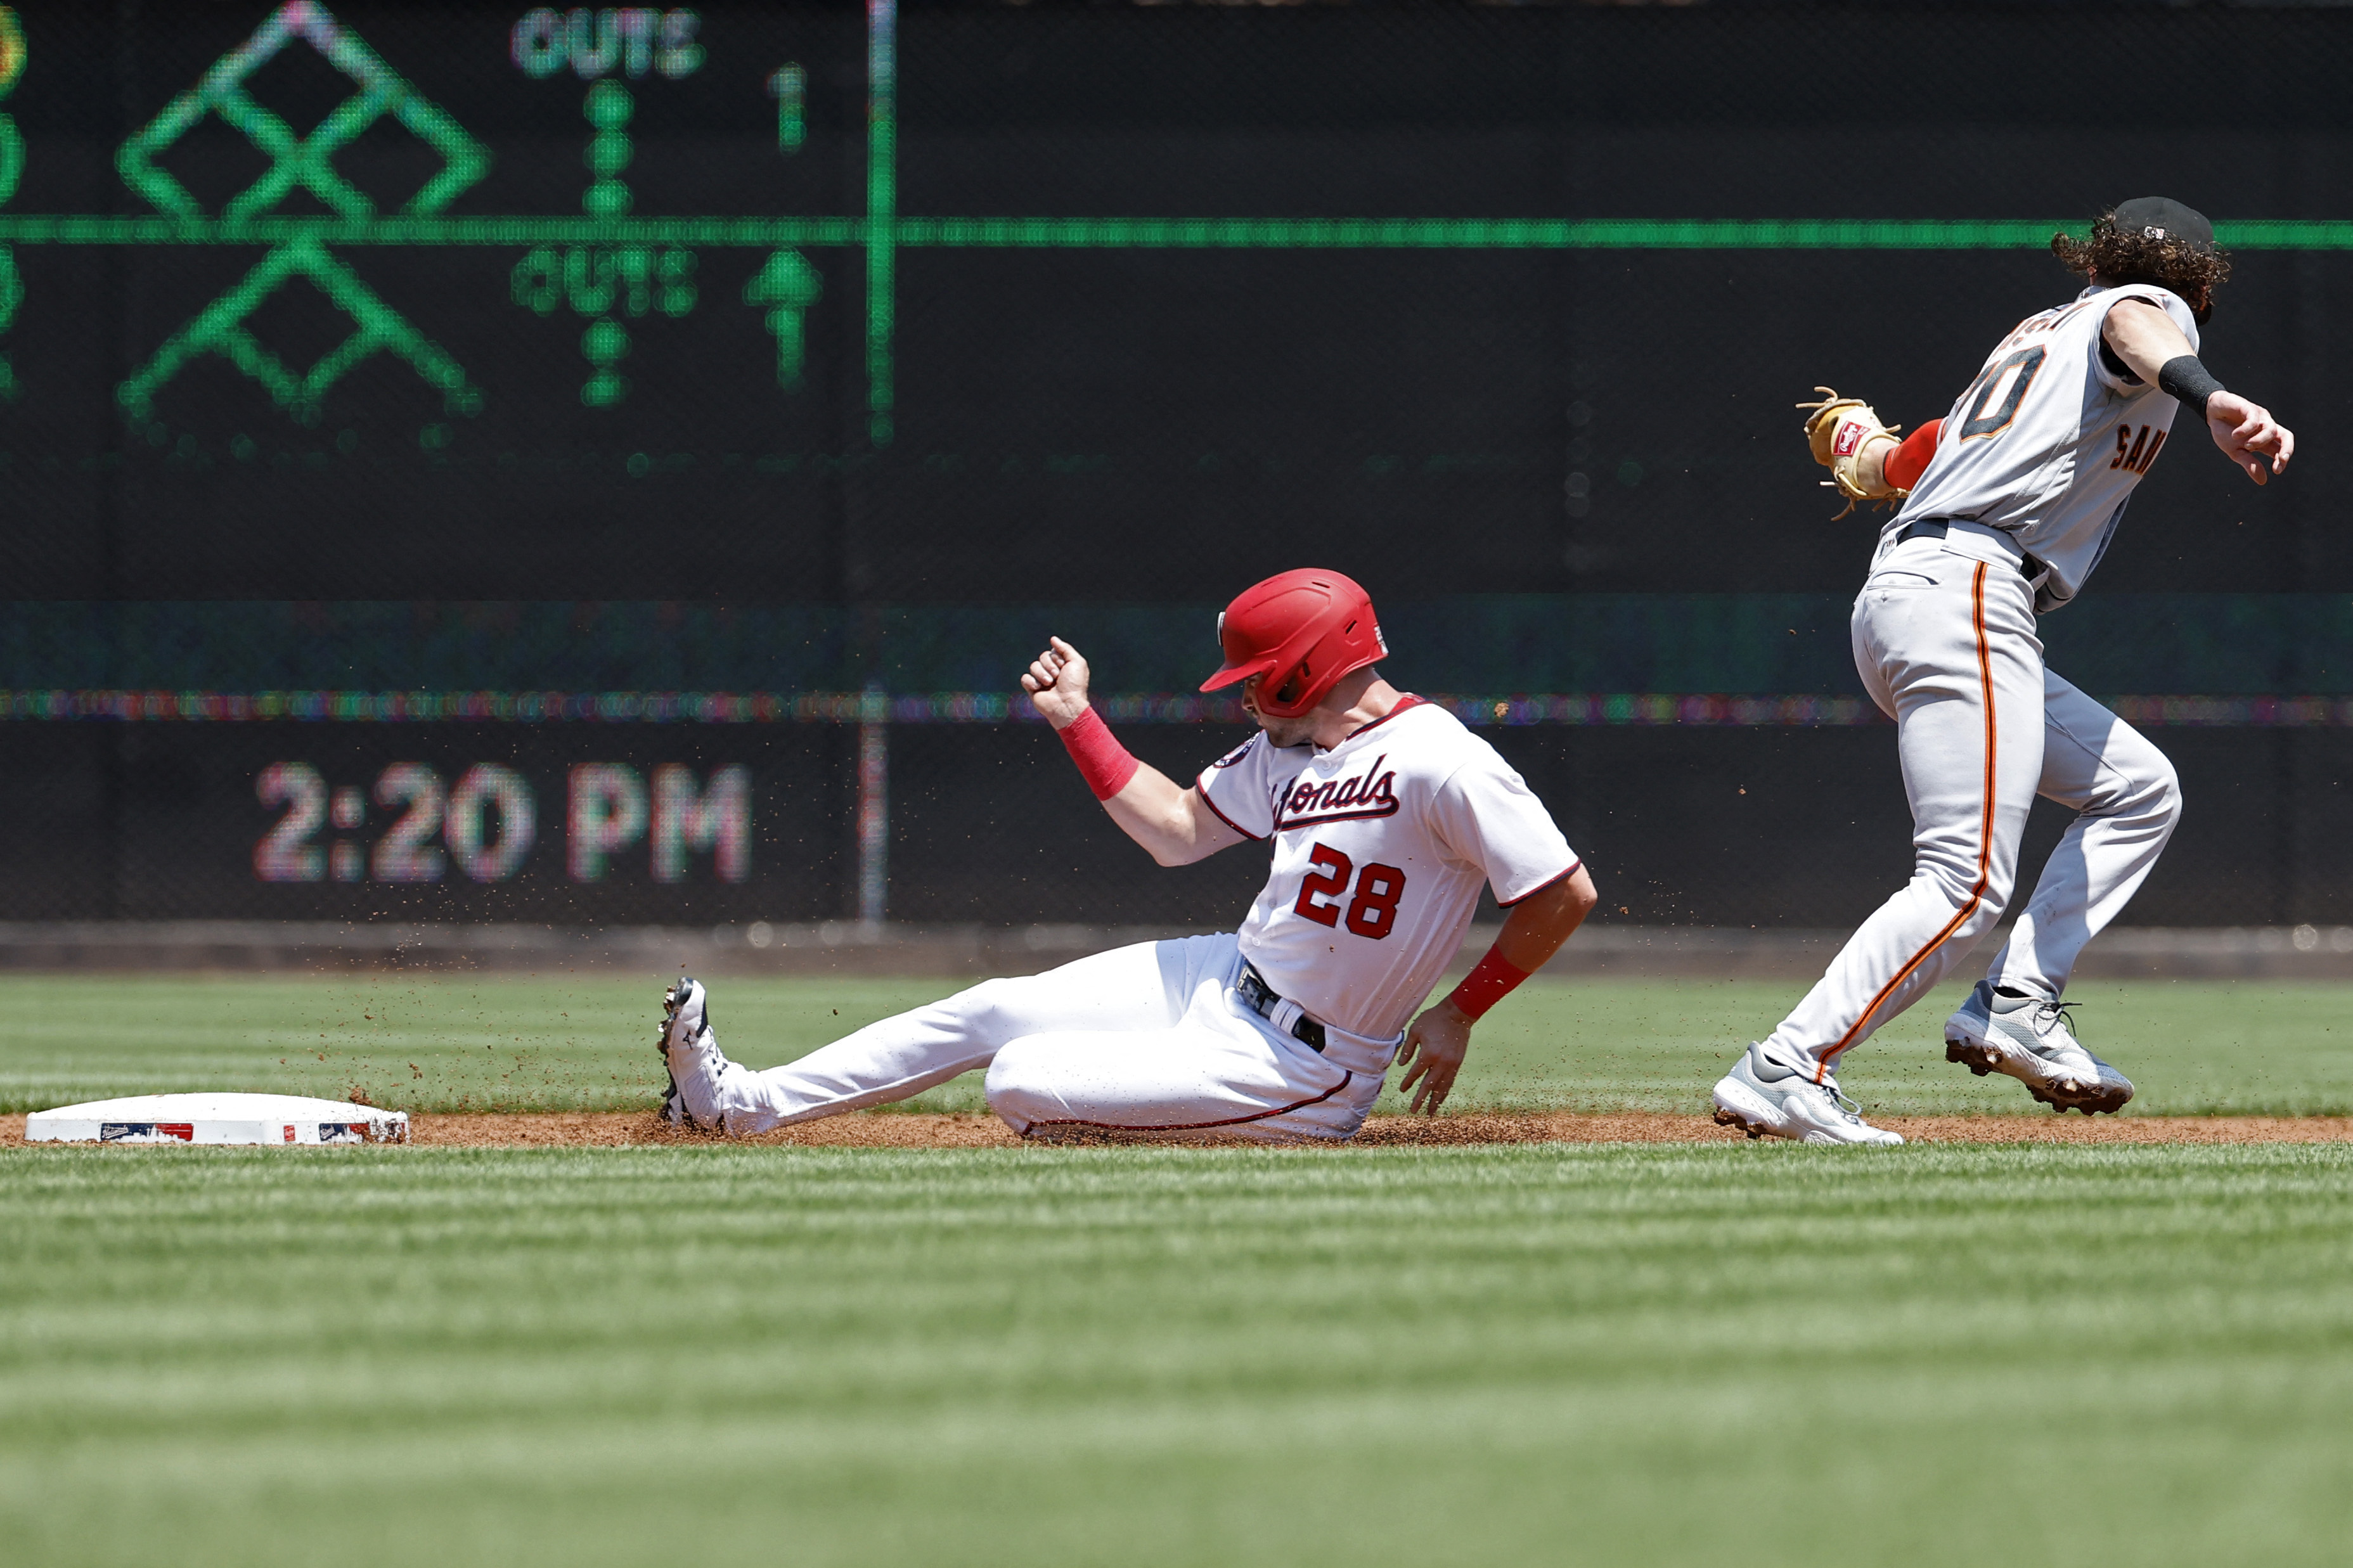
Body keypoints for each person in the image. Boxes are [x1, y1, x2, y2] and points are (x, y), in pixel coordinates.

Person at [1717, 198, 2296, 1146]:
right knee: (1964, 881)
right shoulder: (2141, 311)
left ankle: (2019, 1000)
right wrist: (2212, 395)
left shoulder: (2035, 336)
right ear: (2196, 281)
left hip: (1922, 593)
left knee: (2138, 789)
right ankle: (1787, 1064)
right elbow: (2135, 322)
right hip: (1970, 590)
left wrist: (1869, 458)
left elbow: (1936, 448)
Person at [657, 567, 1598, 1141]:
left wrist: (1460, 1011)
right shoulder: (1295, 750)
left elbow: (1563, 891)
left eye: (1254, 677)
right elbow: (1177, 830)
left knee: (1020, 1081)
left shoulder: (1446, 764)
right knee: (994, 1010)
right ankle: (740, 1104)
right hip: (1226, 977)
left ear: (1305, 668)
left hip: (1309, 1068)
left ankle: (1191, 1105)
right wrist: (1078, 721)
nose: (1242, 694)